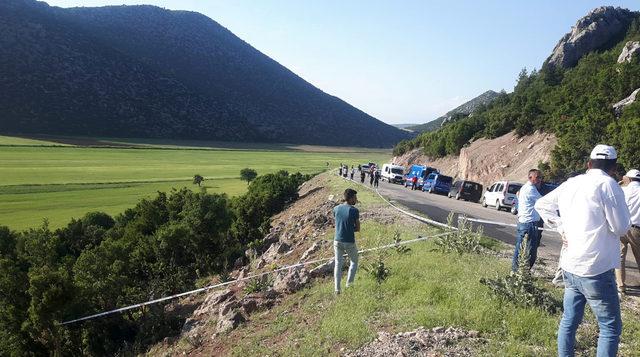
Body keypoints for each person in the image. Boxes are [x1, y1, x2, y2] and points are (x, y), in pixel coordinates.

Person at [535, 144, 631, 357]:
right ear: (614, 167)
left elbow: (542, 205)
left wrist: (561, 227)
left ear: (589, 164)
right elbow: (621, 227)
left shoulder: (572, 182)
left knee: (569, 320)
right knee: (610, 327)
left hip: (570, 265)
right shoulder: (608, 184)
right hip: (596, 268)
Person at [512, 169, 544, 271]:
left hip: (526, 223)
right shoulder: (531, 189)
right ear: (530, 178)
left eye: (540, 177)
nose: (540, 179)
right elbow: (543, 202)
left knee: (522, 248)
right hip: (529, 224)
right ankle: (520, 272)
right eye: (537, 177)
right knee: (529, 251)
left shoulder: (526, 188)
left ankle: (518, 271)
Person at [615, 169, 640, 296]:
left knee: (620, 257)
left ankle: (621, 285)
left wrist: (620, 183)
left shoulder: (622, 190)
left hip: (622, 226)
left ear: (628, 179)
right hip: (637, 229)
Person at [333, 188, 360, 295]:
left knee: (338, 264)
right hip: (349, 241)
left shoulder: (335, 208)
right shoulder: (354, 210)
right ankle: (349, 285)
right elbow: (357, 228)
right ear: (351, 198)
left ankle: (337, 290)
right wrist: (350, 228)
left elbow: (338, 222)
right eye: (355, 198)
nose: (356, 200)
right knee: (354, 262)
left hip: (337, 240)